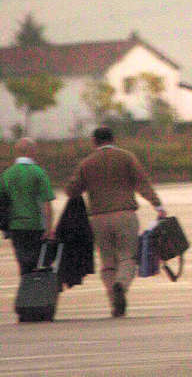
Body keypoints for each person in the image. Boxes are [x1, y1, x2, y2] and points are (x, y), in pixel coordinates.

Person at [66, 127, 165, 318]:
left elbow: (72, 190)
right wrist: (157, 205)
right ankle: (121, 285)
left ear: (94, 142)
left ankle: (114, 300)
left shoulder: (87, 163)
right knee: (128, 257)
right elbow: (143, 183)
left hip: (98, 219)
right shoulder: (126, 157)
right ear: (113, 139)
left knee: (107, 262)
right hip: (125, 215)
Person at [1, 138, 55, 276]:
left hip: (15, 226)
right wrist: (49, 228)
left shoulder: (7, 175)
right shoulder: (38, 172)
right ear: (31, 151)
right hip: (36, 225)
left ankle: (26, 290)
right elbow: (47, 203)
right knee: (37, 264)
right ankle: (36, 293)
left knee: (23, 263)